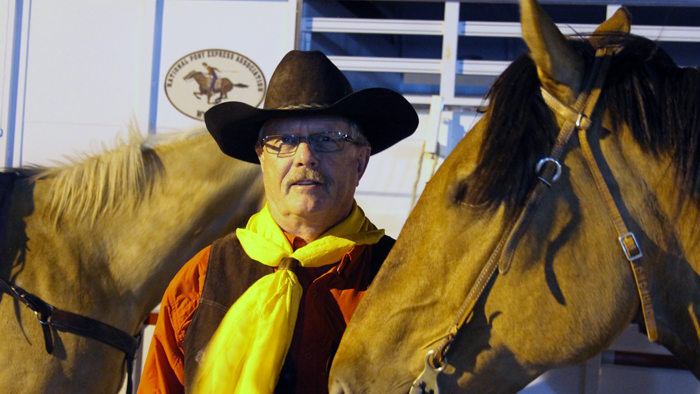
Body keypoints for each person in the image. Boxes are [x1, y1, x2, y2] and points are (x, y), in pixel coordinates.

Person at [137, 50, 418, 394]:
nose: (305, 156)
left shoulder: (410, 279)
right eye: (284, 141)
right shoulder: (198, 283)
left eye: (327, 139)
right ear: (262, 157)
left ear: (360, 162)